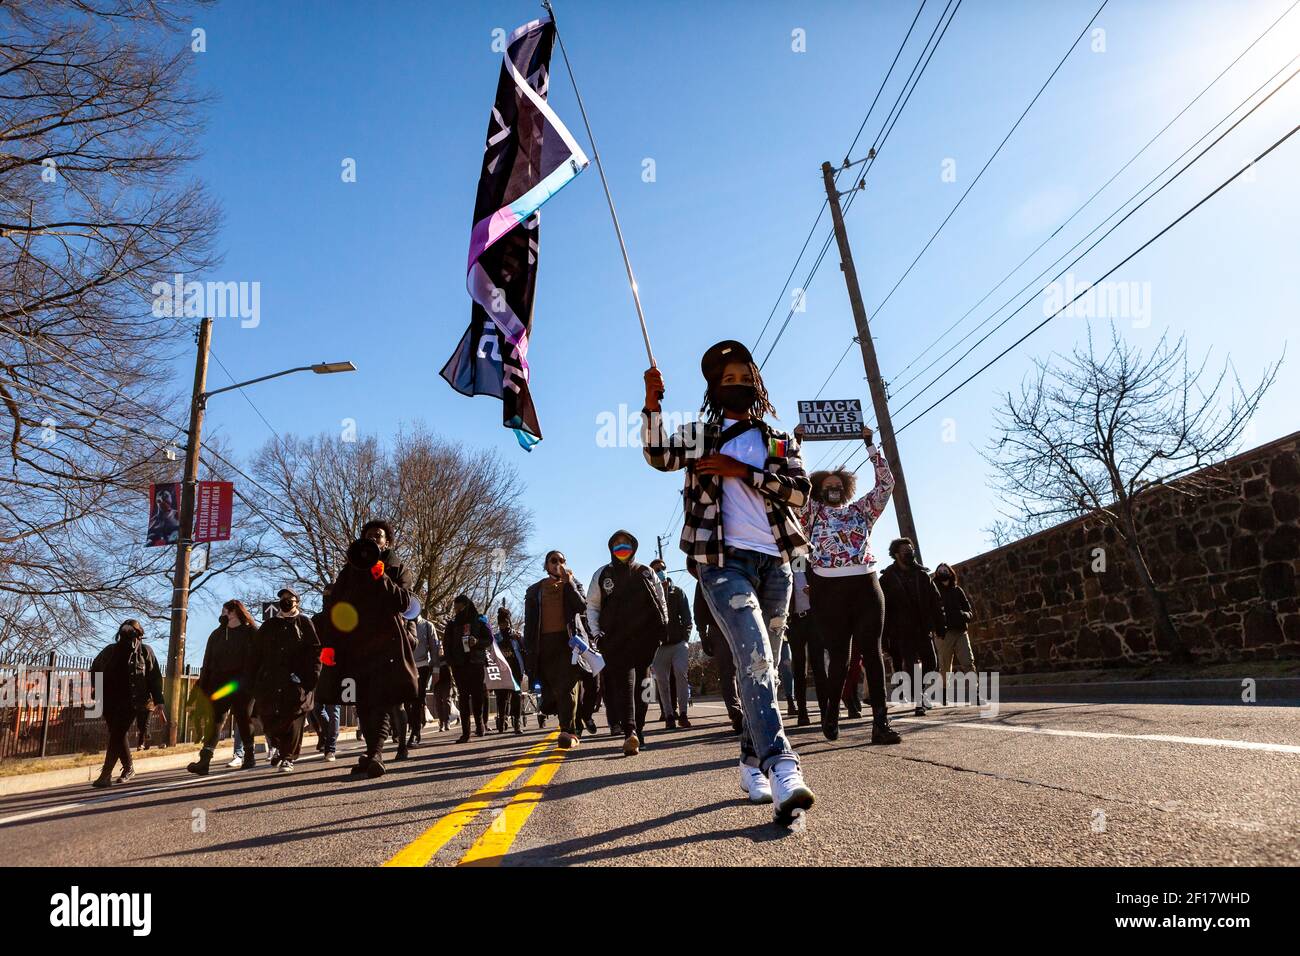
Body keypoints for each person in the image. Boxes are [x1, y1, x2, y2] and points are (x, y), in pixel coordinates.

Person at [642, 340, 815, 824]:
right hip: (722, 562)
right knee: (755, 652)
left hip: (775, 562)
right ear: (714, 389)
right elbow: (657, 454)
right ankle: (783, 766)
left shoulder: (778, 439)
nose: (736, 385)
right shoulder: (700, 435)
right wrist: (652, 404)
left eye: (744, 378)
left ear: (756, 385)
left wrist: (746, 472)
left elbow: (800, 493)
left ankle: (748, 762)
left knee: (768, 663)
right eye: (726, 380)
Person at [798, 427, 901, 745]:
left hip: (866, 586)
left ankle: (880, 723)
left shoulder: (861, 510)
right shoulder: (810, 514)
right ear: (819, 489)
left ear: (845, 489)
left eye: (837, 485)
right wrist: (797, 445)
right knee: (839, 658)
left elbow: (886, 485)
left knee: (872, 652)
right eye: (827, 485)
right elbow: (796, 486)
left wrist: (871, 445)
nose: (832, 488)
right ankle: (830, 712)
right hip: (829, 592)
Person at [327, 521, 420, 778]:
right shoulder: (350, 570)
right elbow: (335, 607)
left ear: (386, 543)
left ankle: (377, 753)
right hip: (356, 645)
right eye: (369, 536)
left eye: (378, 536)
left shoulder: (397, 568)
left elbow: (403, 603)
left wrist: (382, 577)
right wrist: (331, 645)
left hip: (387, 645)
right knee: (364, 703)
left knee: (381, 700)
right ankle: (371, 753)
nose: (373, 539)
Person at [586, 530, 667, 756]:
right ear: (611, 547)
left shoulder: (645, 572)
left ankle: (638, 730)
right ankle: (629, 731)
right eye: (617, 544)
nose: (622, 548)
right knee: (624, 684)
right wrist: (596, 633)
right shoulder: (603, 574)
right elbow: (592, 605)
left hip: (645, 638)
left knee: (643, 684)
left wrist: (662, 628)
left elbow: (661, 602)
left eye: (626, 544)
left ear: (634, 546)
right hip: (615, 639)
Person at [523, 551, 590, 748]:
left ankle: (567, 732)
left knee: (566, 686)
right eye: (554, 561)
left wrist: (569, 583)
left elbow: (581, 606)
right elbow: (529, 623)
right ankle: (574, 724)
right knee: (552, 690)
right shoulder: (535, 590)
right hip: (543, 644)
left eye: (561, 561)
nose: (558, 564)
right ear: (546, 565)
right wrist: (529, 649)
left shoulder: (573, 584)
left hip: (568, 641)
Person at [249, 588, 321, 773]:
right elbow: (256, 652)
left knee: (293, 718)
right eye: (282, 598)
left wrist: (310, 679)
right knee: (270, 719)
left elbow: (314, 651)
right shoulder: (270, 624)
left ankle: (288, 757)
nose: (285, 601)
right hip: (271, 681)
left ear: (297, 601)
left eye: (289, 598)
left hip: (296, 681)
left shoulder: (304, 622)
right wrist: (255, 678)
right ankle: (280, 749)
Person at [90, 620, 165, 788]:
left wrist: (159, 700)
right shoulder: (110, 650)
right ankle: (129, 768)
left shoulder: (145, 651)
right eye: (124, 629)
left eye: (131, 630)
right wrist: (97, 690)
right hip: (109, 700)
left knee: (117, 733)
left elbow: (154, 677)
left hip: (133, 700)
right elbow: (95, 669)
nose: (126, 633)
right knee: (117, 734)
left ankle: (105, 774)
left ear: (138, 634)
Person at [187, 600, 258, 775]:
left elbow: (260, 658)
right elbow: (207, 661)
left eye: (225, 611)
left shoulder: (251, 632)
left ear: (234, 612)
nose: (222, 614)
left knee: (243, 717)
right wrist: (203, 687)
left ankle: (249, 755)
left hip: (243, 683)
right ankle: (204, 761)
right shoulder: (217, 634)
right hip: (221, 683)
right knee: (216, 719)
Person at [880, 537, 945, 716]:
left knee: (931, 662)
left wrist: (940, 625)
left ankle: (922, 692)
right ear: (896, 554)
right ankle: (919, 701)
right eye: (905, 551)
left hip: (922, 626)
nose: (909, 553)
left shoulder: (922, 574)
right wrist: (884, 637)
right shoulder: (886, 578)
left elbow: (935, 601)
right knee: (909, 664)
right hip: (901, 629)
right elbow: (882, 609)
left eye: (911, 550)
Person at [648, 558, 692, 729]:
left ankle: (683, 714)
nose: (660, 571)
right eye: (656, 569)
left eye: (662, 568)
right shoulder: (649, 594)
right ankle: (668, 715)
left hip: (678, 644)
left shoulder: (678, 592)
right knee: (662, 682)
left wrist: (685, 638)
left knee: (681, 675)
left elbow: (687, 618)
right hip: (659, 648)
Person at [695, 578, 743, 733]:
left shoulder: (738, 566)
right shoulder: (705, 576)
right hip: (718, 628)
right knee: (728, 672)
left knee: (748, 668)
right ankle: (736, 713)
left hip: (742, 623)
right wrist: (703, 635)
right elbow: (700, 608)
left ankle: (752, 709)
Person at [444, 594, 493, 742]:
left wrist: (477, 641)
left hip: (476, 662)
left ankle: (480, 724)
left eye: (459, 607)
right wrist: (451, 662)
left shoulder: (478, 620)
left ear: (466, 605)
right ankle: (466, 732)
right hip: (459, 665)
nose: (457, 610)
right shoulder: (452, 624)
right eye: (455, 608)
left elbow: (489, 640)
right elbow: (447, 645)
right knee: (463, 697)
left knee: (478, 695)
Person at [786, 567, 827, 727]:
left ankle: (825, 711)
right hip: (794, 622)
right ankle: (802, 712)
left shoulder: (802, 562)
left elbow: (823, 586)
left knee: (819, 667)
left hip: (813, 619)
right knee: (799, 668)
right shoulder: (781, 564)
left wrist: (815, 592)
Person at [933, 562, 977, 703]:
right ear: (936, 574)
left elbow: (969, 610)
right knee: (945, 666)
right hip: (943, 634)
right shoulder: (934, 593)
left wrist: (964, 615)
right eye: (940, 570)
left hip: (960, 632)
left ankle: (975, 692)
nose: (943, 572)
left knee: (968, 662)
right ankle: (944, 691)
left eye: (945, 570)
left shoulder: (958, 590)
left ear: (951, 573)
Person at [311, 588, 343, 761]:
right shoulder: (316, 619)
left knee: (333, 708)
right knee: (316, 708)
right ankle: (325, 733)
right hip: (319, 668)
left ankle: (331, 747)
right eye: (324, 596)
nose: (327, 600)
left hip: (336, 668)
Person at [406, 613, 439, 748]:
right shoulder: (403, 622)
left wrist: (436, 670)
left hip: (422, 666)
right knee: (406, 700)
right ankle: (410, 725)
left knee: (417, 699)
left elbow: (435, 649)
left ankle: (415, 731)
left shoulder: (427, 625)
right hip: (405, 665)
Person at [493, 607, 526, 734]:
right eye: (501, 623)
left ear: (509, 622)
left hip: (516, 670)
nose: (503, 625)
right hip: (501, 670)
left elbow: (525, 649)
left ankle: (516, 722)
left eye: (505, 623)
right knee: (501, 697)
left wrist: (519, 639)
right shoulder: (496, 637)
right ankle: (502, 720)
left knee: (516, 696)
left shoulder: (516, 636)